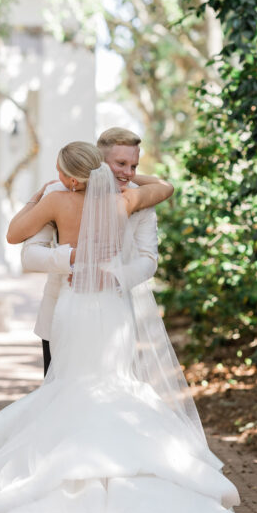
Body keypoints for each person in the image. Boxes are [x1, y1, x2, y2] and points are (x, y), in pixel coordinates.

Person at [0, 142, 257, 513]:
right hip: (110, 308)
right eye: (121, 165)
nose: (128, 172)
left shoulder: (57, 199)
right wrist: (130, 186)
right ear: (98, 167)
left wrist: (39, 198)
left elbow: (16, 234)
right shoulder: (126, 199)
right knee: (112, 388)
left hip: (77, 304)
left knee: (71, 389)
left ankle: (47, 491)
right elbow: (164, 188)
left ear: (68, 175)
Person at [21, 127, 160, 376]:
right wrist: (72, 257)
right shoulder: (58, 194)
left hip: (113, 313)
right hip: (59, 314)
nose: (127, 173)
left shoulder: (141, 202)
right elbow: (30, 253)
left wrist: (113, 277)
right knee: (59, 400)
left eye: (134, 166)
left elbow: (149, 260)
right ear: (98, 161)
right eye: (120, 163)